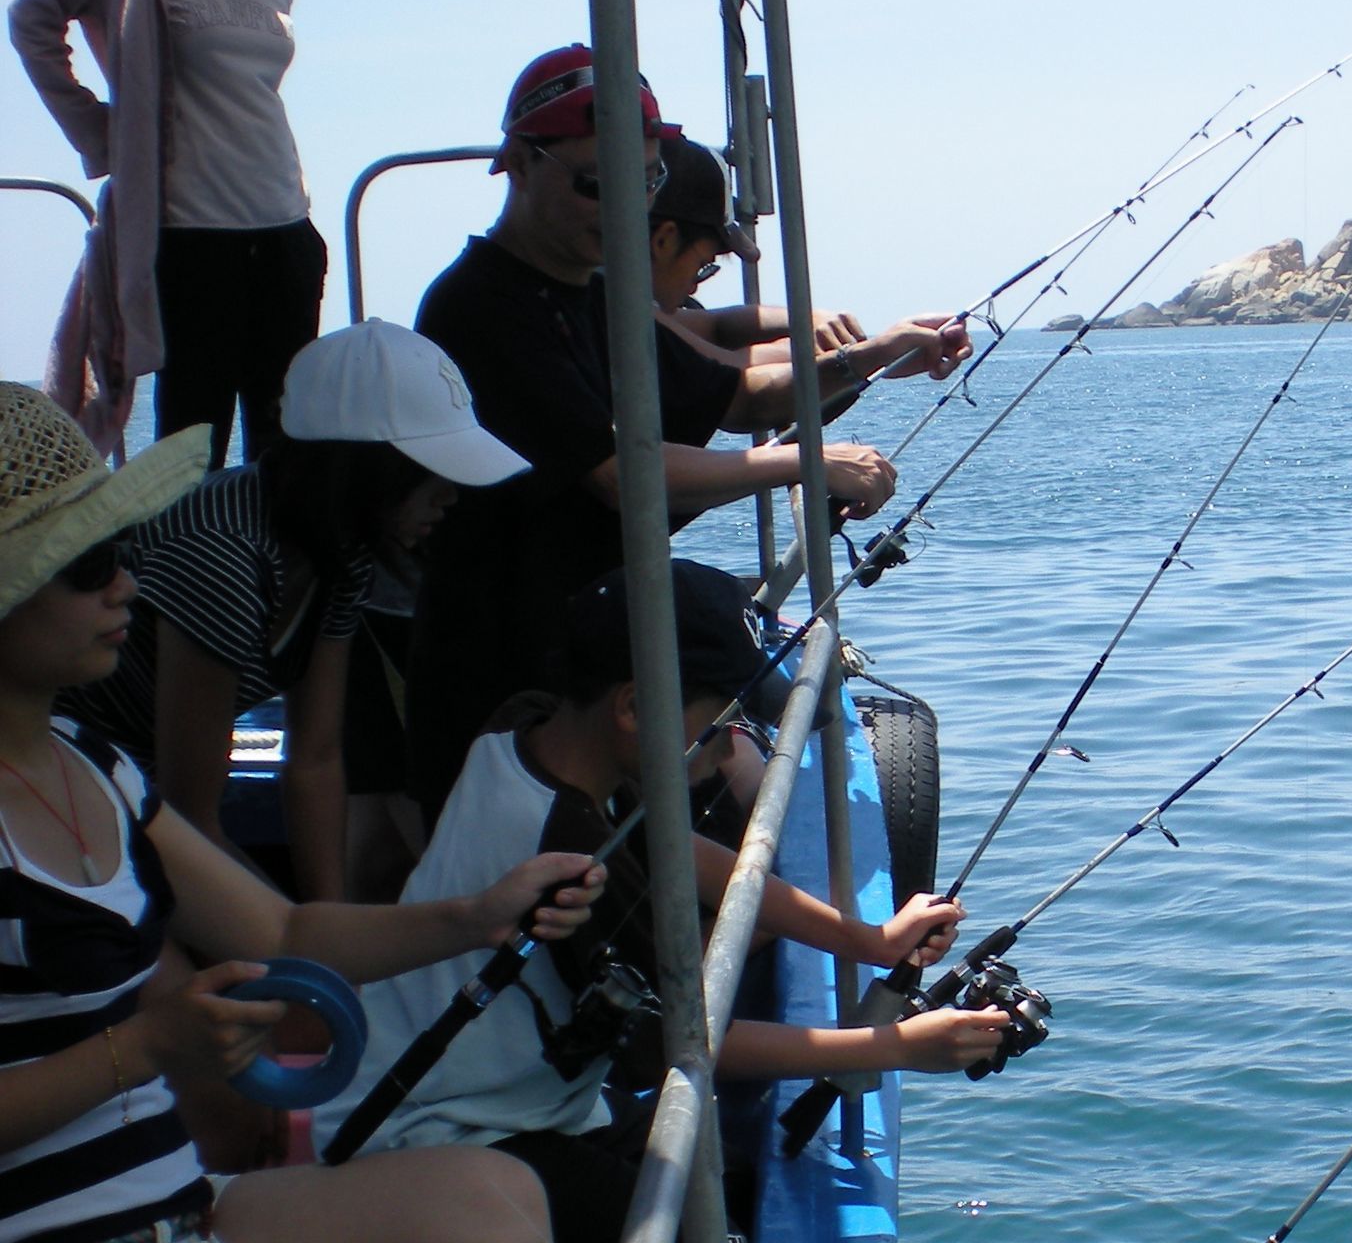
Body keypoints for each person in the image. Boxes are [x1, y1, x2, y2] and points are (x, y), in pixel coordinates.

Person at [0, 383, 603, 1243]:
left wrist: (474, 915)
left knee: (498, 1193)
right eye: (90, 565)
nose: (127, 583)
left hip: (172, 1223)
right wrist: (149, 1049)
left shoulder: (99, 765)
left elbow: (283, 927)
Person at [316, 560, 1004, 1243]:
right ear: (636, 709)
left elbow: (672, 845)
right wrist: (894, 1046)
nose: (727, 754)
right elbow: (682, 1042)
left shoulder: (531, 728)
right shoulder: (565, 862)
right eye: (719, 730)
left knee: (719, 1173)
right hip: (441, 1137)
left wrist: (863, 938)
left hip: (483, 1097)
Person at [403, 45, 969, 815]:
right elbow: (620, 474)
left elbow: (737, 394)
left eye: (643, 184)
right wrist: (807, 462)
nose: (623, 211)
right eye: (597, 185)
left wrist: (879, 356)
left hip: (583, 650)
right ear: (520, 163)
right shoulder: (481, 307)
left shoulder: (594, 295)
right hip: (495, 672)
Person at [63, 321, 527, 902]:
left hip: (136, 783)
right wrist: (306, 947)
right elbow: (187, 815)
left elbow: (315, 758)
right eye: (431, 472)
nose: (451, 494)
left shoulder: (342, 552)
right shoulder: (223, 559)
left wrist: (329, 918)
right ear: (363, 469)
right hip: (71, 772)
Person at [11, 0, 325, 461]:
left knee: (286, 442)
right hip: (190, 235)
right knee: (191, 449)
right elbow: (30, 15)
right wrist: (98, 133)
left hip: (287, 225)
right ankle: (185, 542)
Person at [647, 135, 968, 385]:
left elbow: (717, 329)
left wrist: (827, 327)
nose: (695, 287)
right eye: (703, 264)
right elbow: (730, 379)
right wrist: (869, 355)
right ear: (664, 241)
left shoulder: (642, 313)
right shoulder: (611, 321)